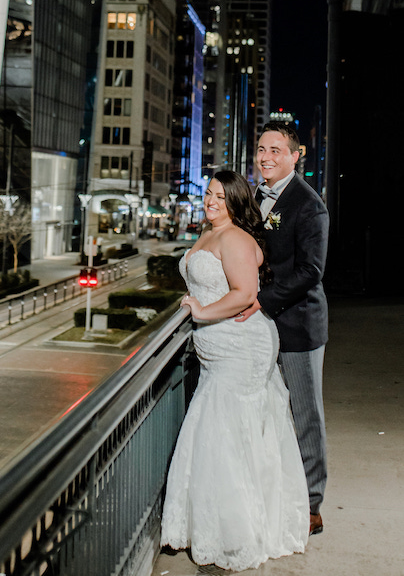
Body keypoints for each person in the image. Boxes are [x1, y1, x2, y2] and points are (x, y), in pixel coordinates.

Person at [161, 170, 309, 571]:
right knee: (223, 431)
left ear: (236, 203)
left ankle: (235, 532)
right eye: (209, 193)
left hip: (240, 347)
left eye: (220, 197)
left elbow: (245, 294)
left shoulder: (235, 237)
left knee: (223, 434)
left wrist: (201, 311)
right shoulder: (210, 232)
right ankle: (215, 523)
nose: (211, 201)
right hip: (216, 349)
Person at [237, 121, 330, 537]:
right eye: (261, 149)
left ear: (295, 156)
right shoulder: (255, 197)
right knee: (264, 408)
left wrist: (264, 300)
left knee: (305, 414)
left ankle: (311, 503)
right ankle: (269, 488)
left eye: (276, 150)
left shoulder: (309, 205)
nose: (265, 157)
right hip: (258, 324)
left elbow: (312, 270)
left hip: (297, 325)